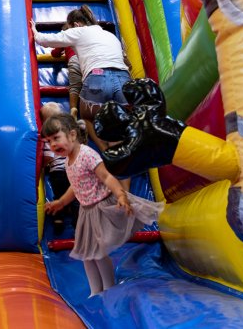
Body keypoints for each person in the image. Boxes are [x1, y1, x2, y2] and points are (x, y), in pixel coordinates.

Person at [42, 114, 162, 296]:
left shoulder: (87, 154)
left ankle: (109, 288)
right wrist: (61, 202)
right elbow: (75, 186)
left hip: (101, 206)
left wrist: (120, 195)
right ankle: (95, 291)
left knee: (97, 253)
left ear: (72, 135)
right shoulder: (68, 161)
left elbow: (106, 176)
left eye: (56, 138)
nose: (52, 145)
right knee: (87, 256)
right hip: (86, 211)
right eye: (49, 141)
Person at [32, 5, 132, 151]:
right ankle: (123, 153)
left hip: (97, 75)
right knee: (120, 120)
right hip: (123, 78)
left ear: (76, 24)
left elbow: (45, 40)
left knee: (87, 116)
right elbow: (128, 64)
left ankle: (106, 152)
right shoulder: (111, 36)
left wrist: (34, 31)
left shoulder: (79, 31)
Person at [40, 102, 78, 235]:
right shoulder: (65, 135)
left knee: (59, 195)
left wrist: (43, 166)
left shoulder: (48, 138)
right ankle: (77, 222)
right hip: (71, 170)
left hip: (57, 173)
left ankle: (58, 219)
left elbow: (48, 157)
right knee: (75, 197)